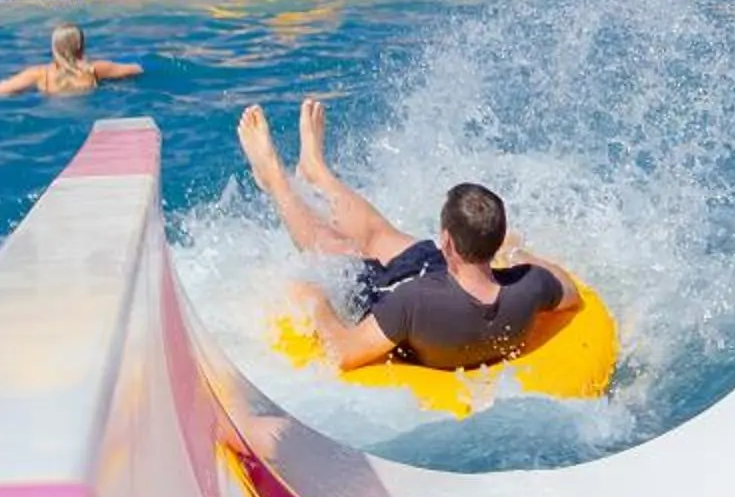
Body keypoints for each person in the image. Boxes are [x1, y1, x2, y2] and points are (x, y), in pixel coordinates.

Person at [240, 100, 579, 378]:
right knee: (379, 233)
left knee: (334, 248)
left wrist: (315, 301)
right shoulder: (530, 287)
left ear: (447, 242)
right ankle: (317, 171)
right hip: (440, 274)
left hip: (412, 297)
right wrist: (517, 254)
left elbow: (343, 352)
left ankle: (275, 179)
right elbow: (570, 293)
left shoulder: (412, 303)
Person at [0, 23, 144, 98]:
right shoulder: (95, 69)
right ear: (81, 46)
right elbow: (136, 69)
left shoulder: (40, 74)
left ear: (54, 47)